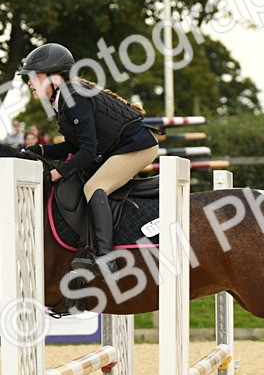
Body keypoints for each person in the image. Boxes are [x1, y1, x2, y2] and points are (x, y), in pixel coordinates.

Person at [18, 42, 159, 273]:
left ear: (55, 77)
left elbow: (87, 152)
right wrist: (39, 151)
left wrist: (54, 175)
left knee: (94, 187)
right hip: (120, 147)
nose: (29, 82)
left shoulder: (74, 98)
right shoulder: (63, 99)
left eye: (35, 76)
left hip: (138, 147)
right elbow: (73, 146)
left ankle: (106, 258)